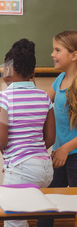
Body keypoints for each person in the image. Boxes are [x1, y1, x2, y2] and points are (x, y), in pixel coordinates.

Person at [0, 38, 56, 227]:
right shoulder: (43, 96)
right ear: (33, 72)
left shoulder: (3, 97)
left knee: (13, 221)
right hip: (45, 170)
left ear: (8, 69)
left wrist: (12, 154)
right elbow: (50, 138)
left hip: (22, 170)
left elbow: (0, 141)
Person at [37, 31, 77, 227]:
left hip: (72, 152)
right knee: (47, 202)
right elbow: (42, 102)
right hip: (59, 153)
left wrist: (66, 148)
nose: (52, 54)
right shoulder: (60, 78)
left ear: (74, 55)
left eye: (57, 50)